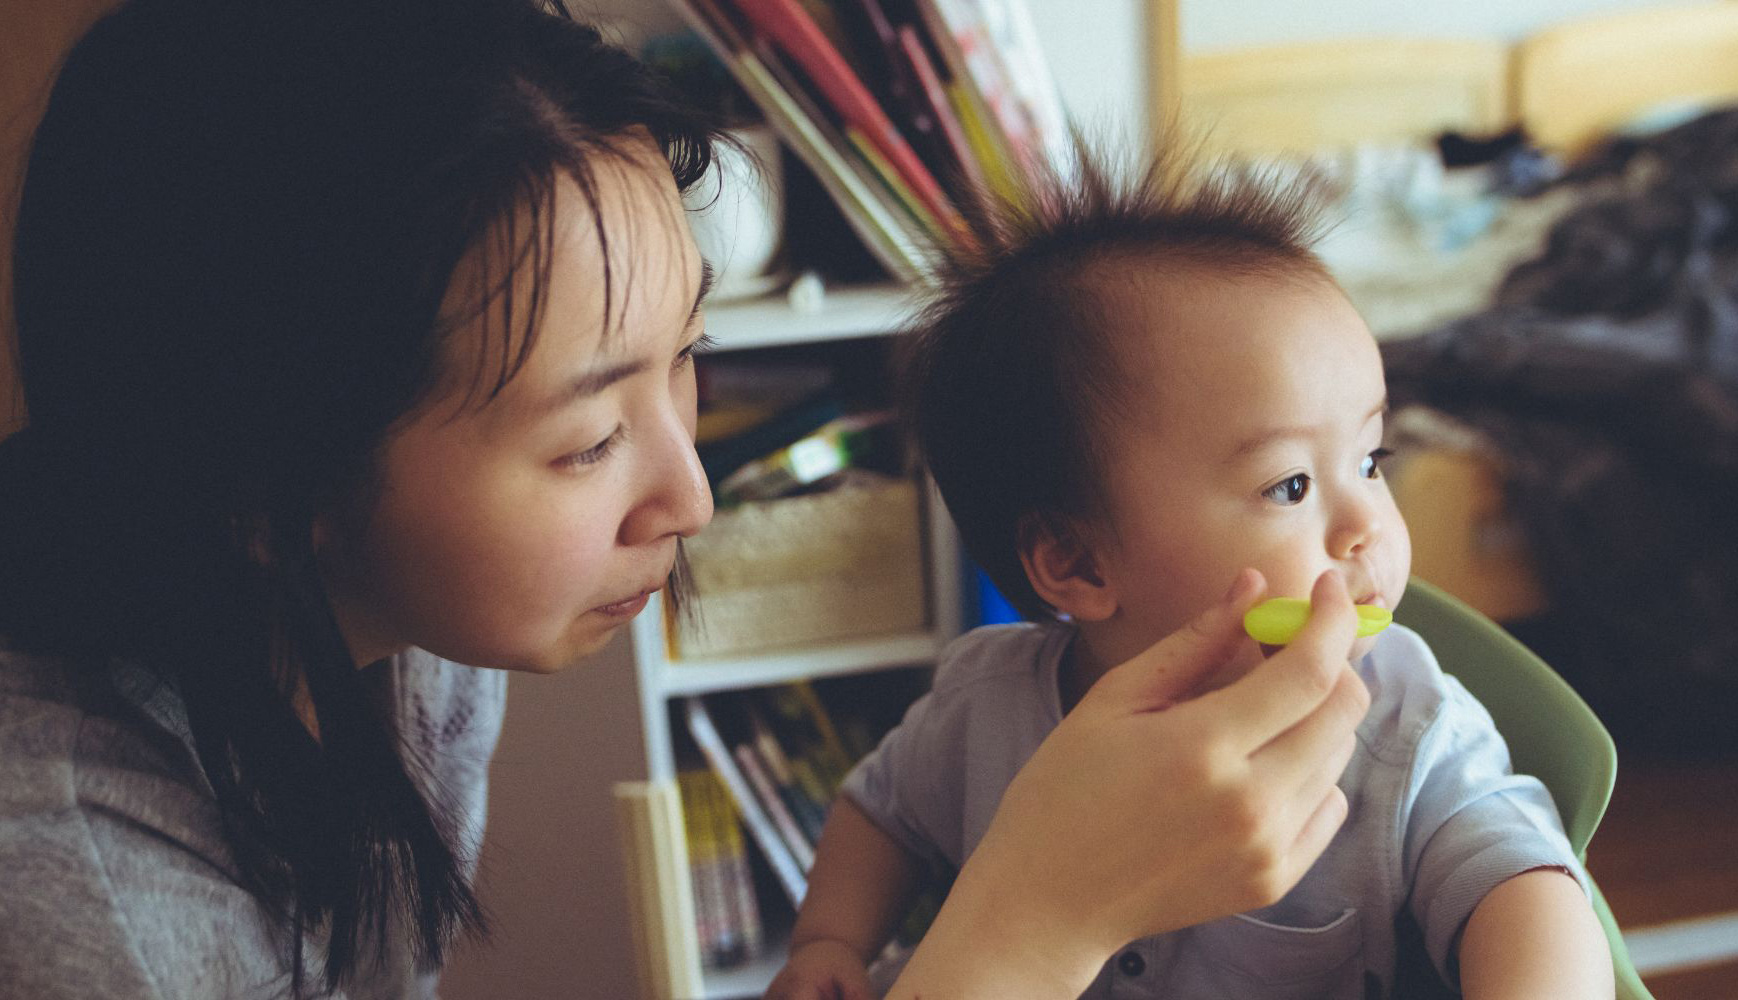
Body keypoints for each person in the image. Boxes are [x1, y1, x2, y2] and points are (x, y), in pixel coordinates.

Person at [0, 2, 1370, 998]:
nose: (693, 497)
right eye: (591, 437)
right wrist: (1033, 923)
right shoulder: (75, 894)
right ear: (270, 478)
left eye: (689, 363)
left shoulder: (404, 657)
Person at [767, 151, 1616, 1000]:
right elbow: (882, 811)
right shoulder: (984, 707)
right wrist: (831, 940)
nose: (1366, 526)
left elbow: (1524, 883)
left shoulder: (1402, 719)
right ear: (1077, 562)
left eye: (1370, 458)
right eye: (1290, 485)